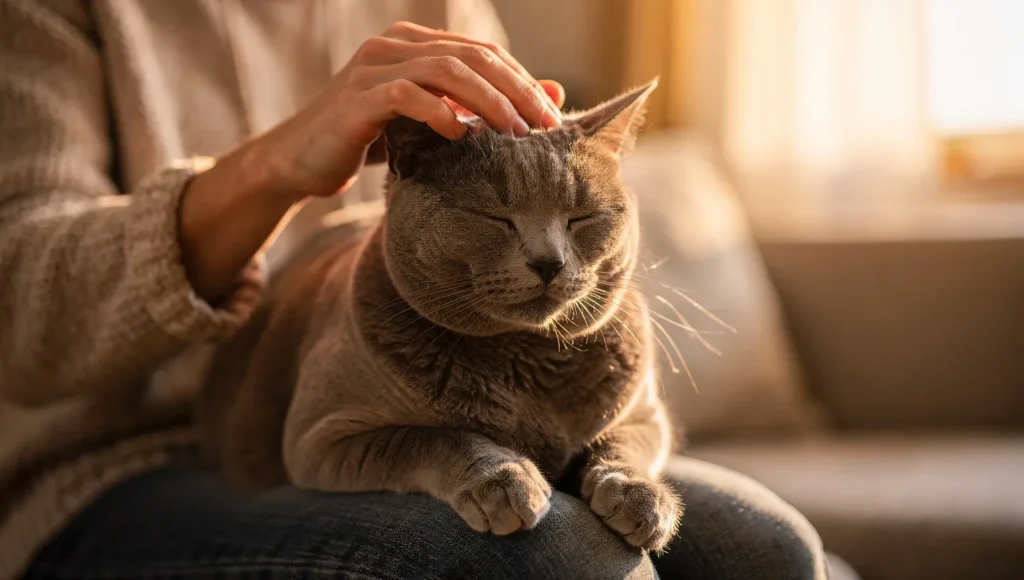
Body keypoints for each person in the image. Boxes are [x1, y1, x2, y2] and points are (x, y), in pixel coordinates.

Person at [0, 1, 830, 578]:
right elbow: (18, 325)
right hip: (106, 470)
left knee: (770, 551)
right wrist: (272, 168)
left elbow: (533, 168)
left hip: (476, 390)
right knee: (559, 562)